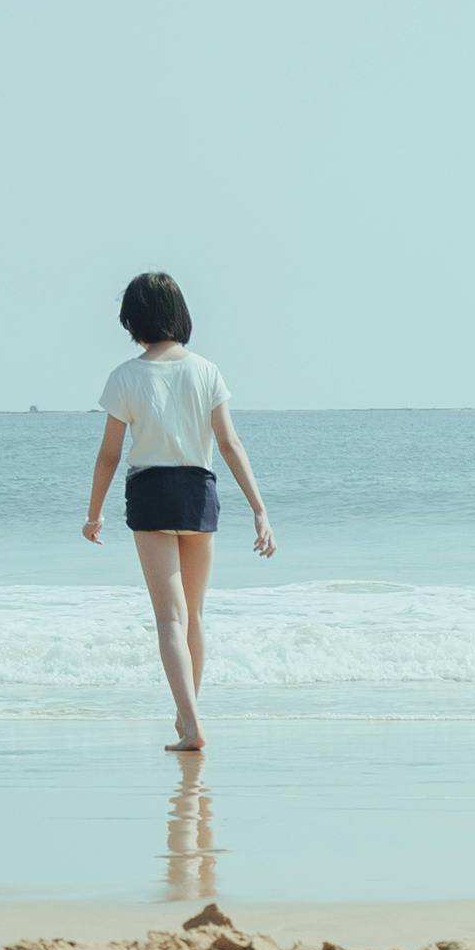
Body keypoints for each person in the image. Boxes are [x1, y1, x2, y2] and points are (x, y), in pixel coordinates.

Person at [83, 272, 273, 751]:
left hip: (149, 489)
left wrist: (94, 513)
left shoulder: (126, 376)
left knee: (169, 619)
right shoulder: (206, 370)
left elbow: (108, 454)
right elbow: (229, 444)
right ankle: (189, 714)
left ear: (133, 319)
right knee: (194, 616)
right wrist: (259, 509)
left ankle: (189, 722)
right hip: (197, 489)